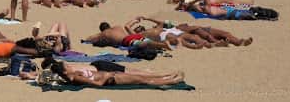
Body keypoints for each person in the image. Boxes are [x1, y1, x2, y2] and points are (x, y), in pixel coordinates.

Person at [43, 58, 185, 87]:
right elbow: (97, 84)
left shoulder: (72, 76)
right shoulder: (75, 78)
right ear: (64, 70)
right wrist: (107, 76)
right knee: (144, 80)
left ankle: (168, 77)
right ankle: (172, 80)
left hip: (111, 75)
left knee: (141, 77)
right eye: (66, 65)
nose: (69, 65)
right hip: (112, 78)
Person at [84, 18, 170, 51]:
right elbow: (127, 26)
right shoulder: (117, 27)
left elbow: (90, 38)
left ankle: (163, 46)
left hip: (126, 41)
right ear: (109, 25)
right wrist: (135, 20)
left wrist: (85, 41)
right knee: (146, 41)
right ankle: (162, 46)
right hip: (131, 36)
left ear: (102, 30)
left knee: (143, 43)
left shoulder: (103, 33)